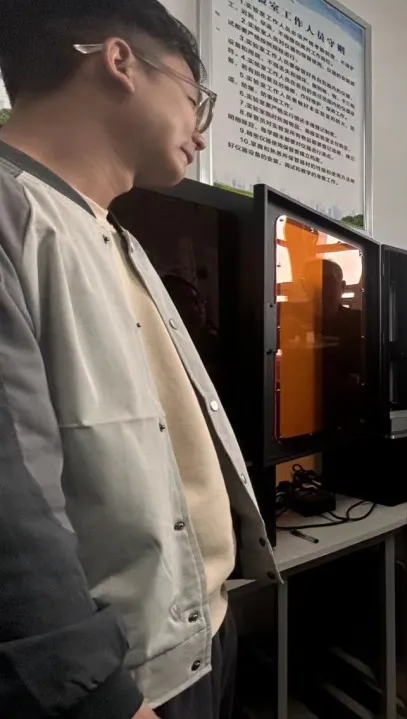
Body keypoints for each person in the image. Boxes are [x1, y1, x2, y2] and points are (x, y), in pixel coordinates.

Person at [0, 2, 277, 718]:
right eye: (195, 98)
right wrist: (96, 695)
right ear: (120, 61)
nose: (201, 129)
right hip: (123, 681)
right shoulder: (13, 214)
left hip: (198, 633)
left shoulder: (111, 232)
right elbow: (11, 502)